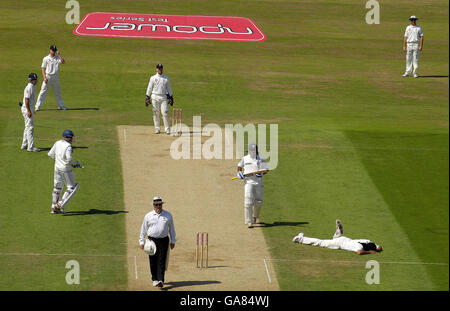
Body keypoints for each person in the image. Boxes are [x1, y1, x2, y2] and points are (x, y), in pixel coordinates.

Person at [139, 196, 176, 288]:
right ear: (153, 205)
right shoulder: (148, 216)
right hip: (152, 241)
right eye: (156, 205)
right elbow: (143, 229)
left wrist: (173, 240)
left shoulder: (168, 215)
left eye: (160, 204)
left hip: (164, 240)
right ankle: (154, 279)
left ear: (162, 205)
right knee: (153, 261)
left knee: (162, 260)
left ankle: (161, 280)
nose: (158, 206)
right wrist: (141, 241)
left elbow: (172, 229)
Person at [292, 220, 383, 255]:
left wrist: (377, 249)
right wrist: (370, 252)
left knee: (335, 238)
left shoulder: (367, 241)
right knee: (320, 243)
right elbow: (359, 252)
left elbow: (379, 247)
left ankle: (338, 232)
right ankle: (299, 239)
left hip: (344, 239)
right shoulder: (360, 247)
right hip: (339, 244)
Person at [47, 130, 82, 214]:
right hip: (66, 169)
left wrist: (59, 161)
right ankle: (59, 205)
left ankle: (53, 207)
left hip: (57, 168)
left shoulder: (57, 142)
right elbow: (69, 158)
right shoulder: (68, 146)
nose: (72, 139)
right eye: (71, 137)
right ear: (68, 137)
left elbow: (50, 154)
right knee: (71, 187)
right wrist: (75, 163)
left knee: (57, 187)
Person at [237, 143, 269, 228]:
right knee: (248, 202)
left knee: (258, 202)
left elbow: (266, 170)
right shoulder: (245, 158)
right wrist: (239, 172)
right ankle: (249, 221)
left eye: (254, 151)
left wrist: (261, 173)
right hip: (248, 182)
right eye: (251, 151)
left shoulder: (261, 159)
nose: (253, 153)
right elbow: (239, 166)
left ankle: (255, 217)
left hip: (258, 183)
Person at [35, 45, 67, 111]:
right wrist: (44, 78)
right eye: (53, 50)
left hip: (56, 77)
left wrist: (59, 55)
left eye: (55, 50)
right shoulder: (46, 58)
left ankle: (61, 106)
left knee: (57, 92)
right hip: (48, 76)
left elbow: (63, 62)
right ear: (50, 50)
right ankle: (37, 106)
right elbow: (43, 68)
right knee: (43, 91)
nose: (54, 52)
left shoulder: (57, 57)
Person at [145, 64, 174, 134]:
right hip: (154, 97)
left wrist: (171, 97)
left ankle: (167, 129)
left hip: (163, 97)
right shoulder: (153, 78)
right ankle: (157, 129)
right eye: (159, 68)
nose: (160, 69)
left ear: (162, 69)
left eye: (161, 68)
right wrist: (147, 97)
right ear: (156, 69)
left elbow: (169, 88)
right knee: (155, 113)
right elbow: (149, 87)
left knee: (165, 112)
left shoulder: (166, 78)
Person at [20, 73, 40, 152]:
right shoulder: (29, 87)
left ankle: (24, 145)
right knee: (30, 128)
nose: (36, 81)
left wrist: (32, 110)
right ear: (32, 80)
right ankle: (30, 147)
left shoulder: (32, 87)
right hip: (26, 109)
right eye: (35, 80)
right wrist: (29, 111)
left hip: (28, 109)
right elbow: (27, 100)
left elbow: (30, 100)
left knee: (27, 127)